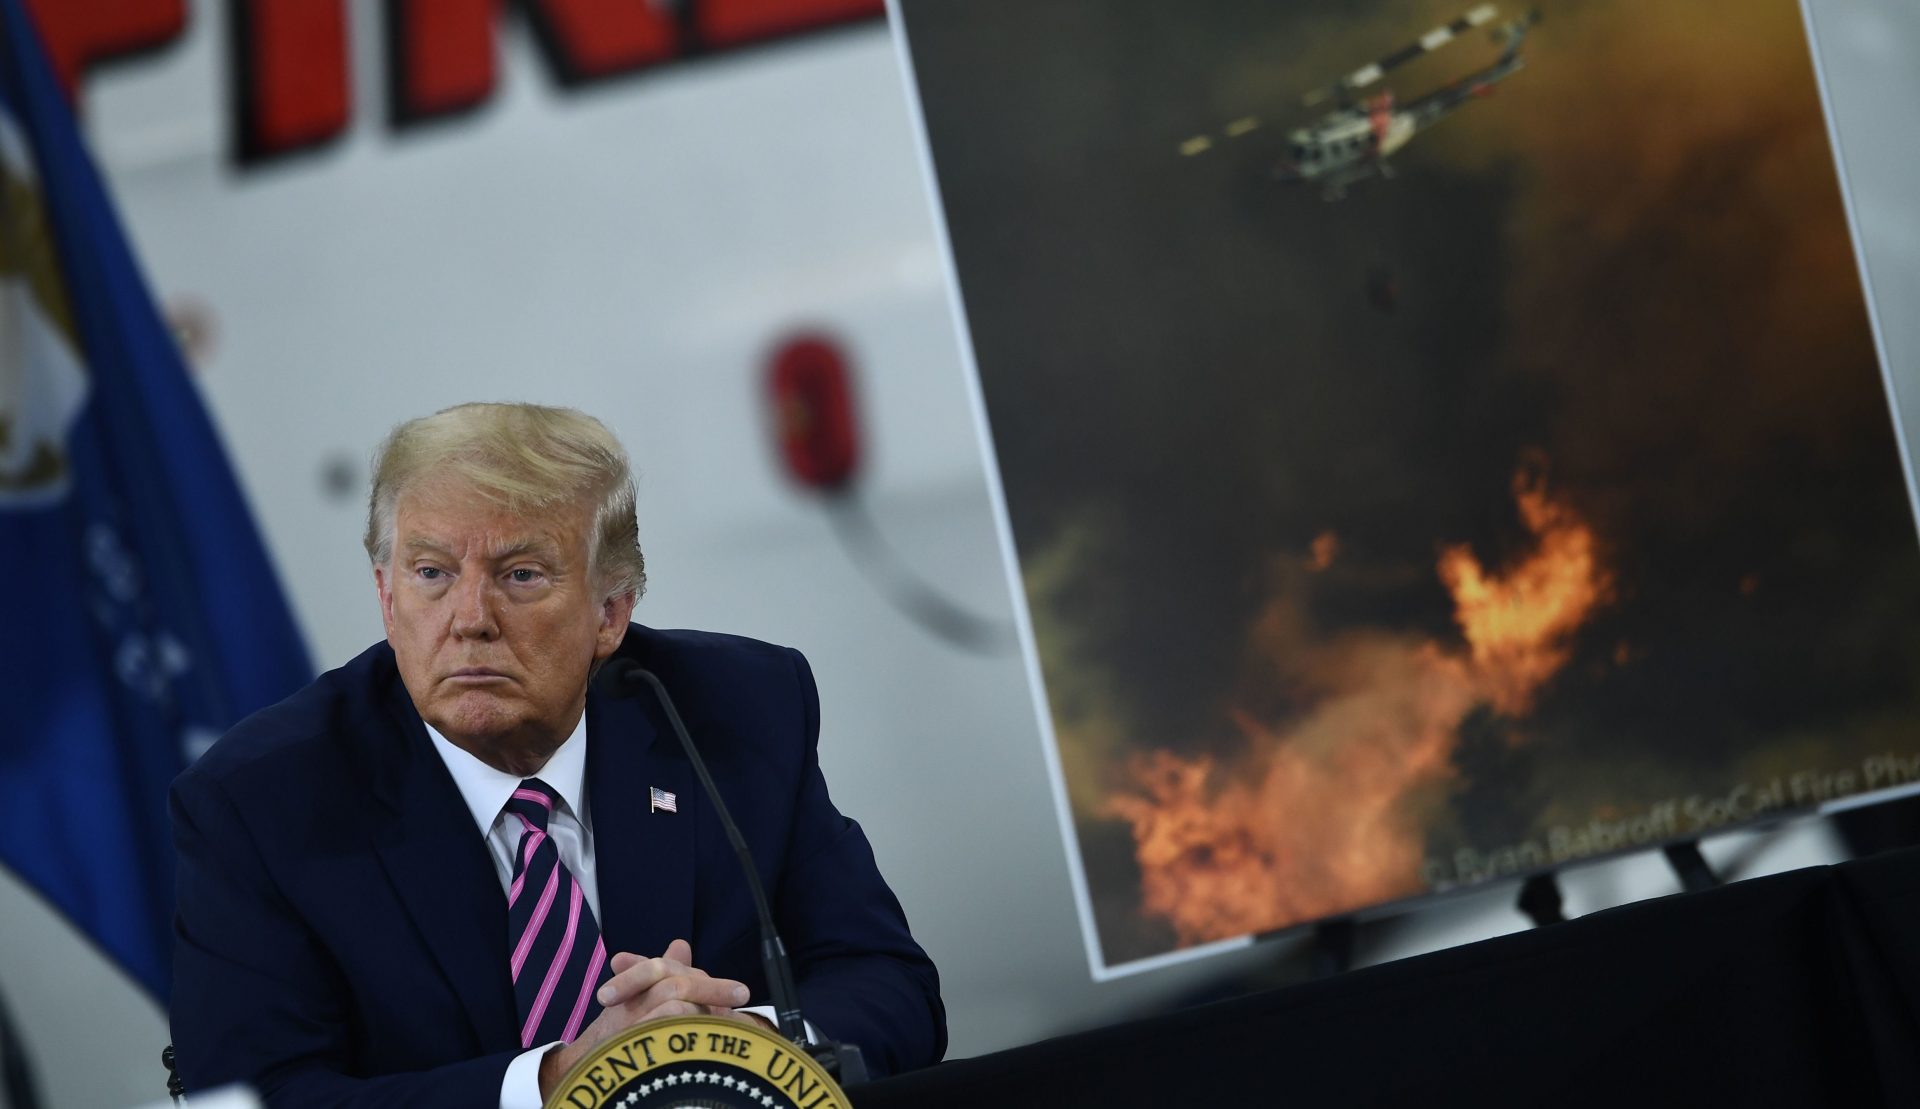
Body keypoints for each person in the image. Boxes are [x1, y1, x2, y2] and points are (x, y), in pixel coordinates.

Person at [169, 403, 944, 1106]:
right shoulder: (262, 797)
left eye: (521, 574)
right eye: (431, 573)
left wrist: (724, 1046)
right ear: (385, 594)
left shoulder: (735, 709)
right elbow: (248, 1096)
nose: (469, 619)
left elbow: (890, 984)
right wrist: (556, 1079)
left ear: (611, 611)